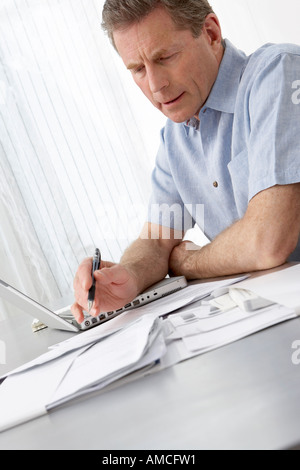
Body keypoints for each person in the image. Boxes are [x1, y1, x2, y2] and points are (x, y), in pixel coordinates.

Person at [71, 0, 300, 323]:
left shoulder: (279, 74)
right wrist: (127, 277)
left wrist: (186, 263)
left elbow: (267, 242)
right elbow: (157, 240)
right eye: (137, 69)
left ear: (210, 33)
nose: (154, 85)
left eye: (164, 57)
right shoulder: (175, 137)